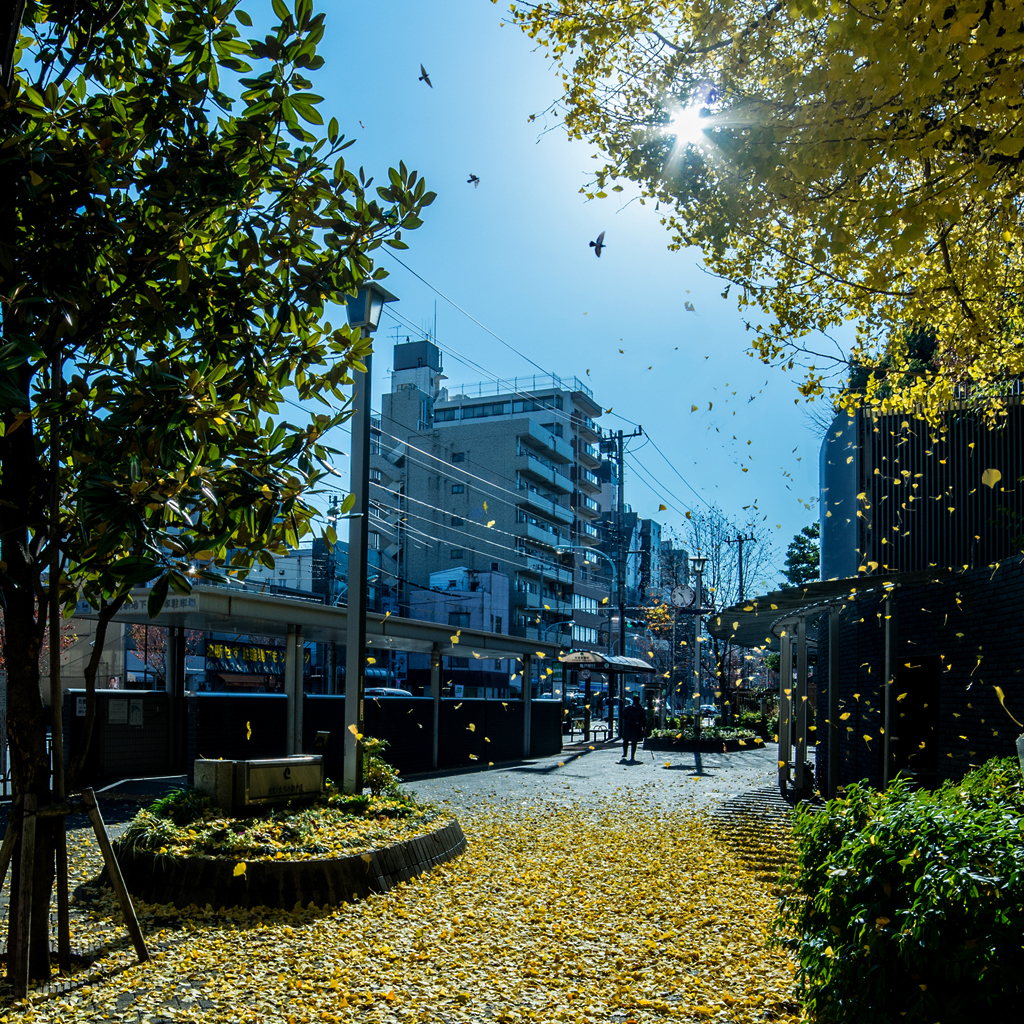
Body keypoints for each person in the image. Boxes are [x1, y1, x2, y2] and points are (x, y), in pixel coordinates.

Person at [620, 694, 647, 763]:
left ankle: (625, 753)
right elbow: (644, 719)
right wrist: (644, 727)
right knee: (634, 742)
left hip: (628, 726)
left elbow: (622, 715)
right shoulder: (641, 709)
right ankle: (632, 756)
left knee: (626, 740)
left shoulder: (628, 708)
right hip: (637, 727)